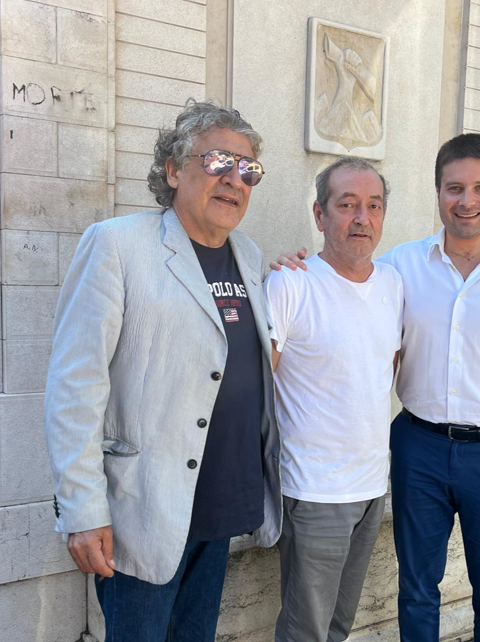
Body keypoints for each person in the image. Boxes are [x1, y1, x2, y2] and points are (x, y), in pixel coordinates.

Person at [272, 133, 480, 642]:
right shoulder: (399, 267)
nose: (467, 201)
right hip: (419, 447)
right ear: (438, 192)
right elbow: (347, 281)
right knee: (416, 590)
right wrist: (292, 265)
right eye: (455, 188)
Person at [44, 99, 282, 642]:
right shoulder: (117, 244)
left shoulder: (248, 255)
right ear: (173, 170)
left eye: (248, 169)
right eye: (218, 161)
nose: (235, 179)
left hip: (220, 501)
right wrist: (82, 509)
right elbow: (75, 387)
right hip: (145, 509)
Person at [263, 156, 403, 642]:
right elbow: (257, 383)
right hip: (314, 490)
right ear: (320, 215)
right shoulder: (291, 283)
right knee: (306, 630)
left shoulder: (393, 284)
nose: (362, 217)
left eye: (373, 205)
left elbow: (385, 369)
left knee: (339, 625)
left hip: (372, 486)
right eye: (347, 205)